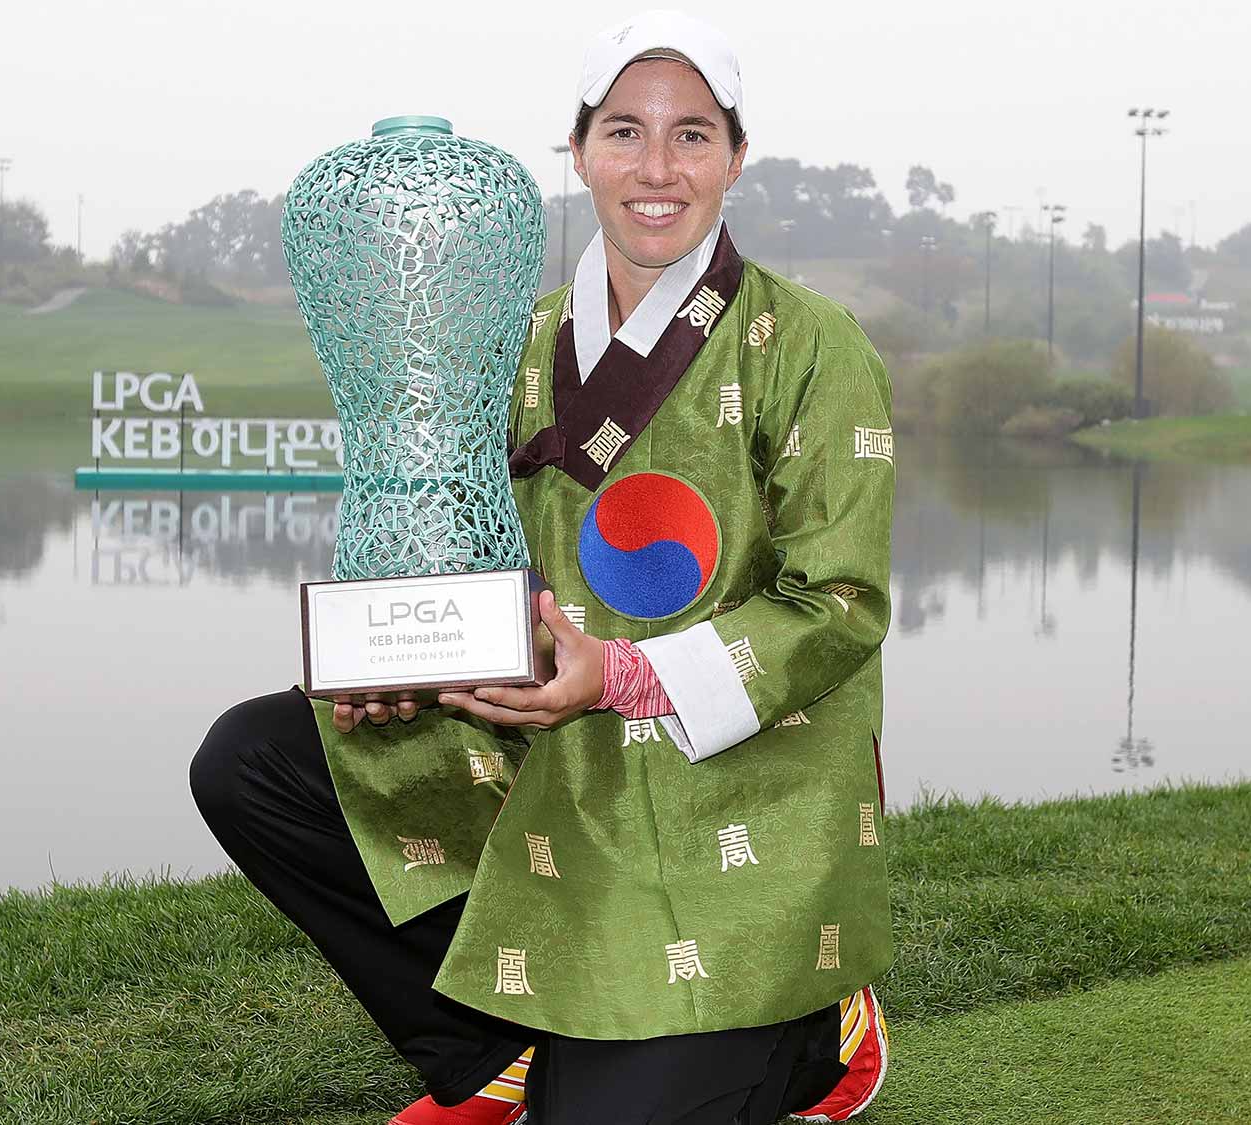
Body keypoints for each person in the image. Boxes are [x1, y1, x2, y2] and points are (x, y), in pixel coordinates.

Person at [191, 10, 896, 1122]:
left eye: (692, 136)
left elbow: (839, 605)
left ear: (734, 158)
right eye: (623, 132)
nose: (655, 169)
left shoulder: (810, 345)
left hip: (726, 782)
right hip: (538, 751)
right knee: (254, 759)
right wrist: (397, 655)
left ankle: (818, 1033)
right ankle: (496, 1050)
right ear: (576, 151)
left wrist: (618, 678)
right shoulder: (512, 343)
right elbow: (463, 554)